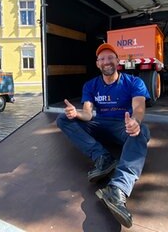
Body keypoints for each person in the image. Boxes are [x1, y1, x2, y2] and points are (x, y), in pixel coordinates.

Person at [56, 43, 150, 228]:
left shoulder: (134, 82)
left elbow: (139, 107)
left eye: (110, 57)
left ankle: (117, 189)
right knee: (62, 119)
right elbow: (88, 114)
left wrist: (135, 122)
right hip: (99, 124)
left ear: (118, 61)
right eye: (102, 59)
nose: (106, 62)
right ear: (98, 64)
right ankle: (102, 157)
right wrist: (76, 114)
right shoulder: (90, 85)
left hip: (122, 126)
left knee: (143, 131)